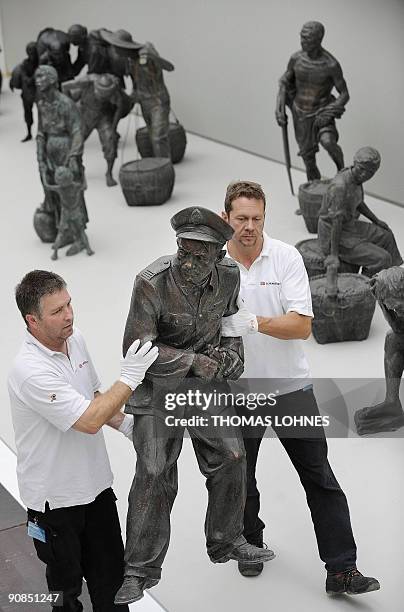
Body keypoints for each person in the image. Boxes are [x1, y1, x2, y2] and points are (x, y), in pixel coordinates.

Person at [220, 180, 380, 595]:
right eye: (241, 218)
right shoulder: (215, 265)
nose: (249, 226)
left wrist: (254, 322)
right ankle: (250, 542)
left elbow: (302, 326)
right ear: (226, 219)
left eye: (256, 218)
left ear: (264, 218)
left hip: (291, 389)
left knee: (320, 479)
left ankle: (342, 569)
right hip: (238, 394)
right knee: (242, 478)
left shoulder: (286, 258)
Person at [114, 206, 275, 605]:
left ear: (220, 254)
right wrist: (193, 361)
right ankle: (138, 571)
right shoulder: (150, 282)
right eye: (183, 251)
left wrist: (233, 358)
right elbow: (136, 348)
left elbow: (231, 326)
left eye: (199, 255)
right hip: (159, 390)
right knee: (153, 472)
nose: (188, 261)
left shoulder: (229, 277)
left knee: (233, 456)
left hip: (206, 389)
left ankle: (226, 541)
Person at [7, 270, 158, 611]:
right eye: (57, 311)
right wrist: (130, 377)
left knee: (113, 583)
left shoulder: (75, 340)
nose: (69, 314)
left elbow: (91, 396)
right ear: (32, 320)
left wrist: (127, 425)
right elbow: (88, 420)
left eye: (69, 304)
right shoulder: (29, 370)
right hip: (54, 502)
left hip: (96, 487)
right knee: (66, 590)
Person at [276, 21, 349, 181]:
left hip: (321, 112)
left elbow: (344, 94)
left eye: (307, 39)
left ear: (319, 40)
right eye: (302, 38)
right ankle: (313, 189)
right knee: (308, 160)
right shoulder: (296, 59)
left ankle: (343, 174)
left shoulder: (331, 64)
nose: (303, 42)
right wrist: (279, 107)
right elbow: (284, 81)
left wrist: (331, 110)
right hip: (300, 114)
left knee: (329, 142)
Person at [318, 147, 403, 276]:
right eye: (361, 169)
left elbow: (358, 202)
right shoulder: (340, 186)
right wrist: (333, 255)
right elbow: (336, 221)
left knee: (386, 235)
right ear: (355, 164)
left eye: (370, 172)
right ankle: (366, 285)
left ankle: (392, 277)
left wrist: (376, 220)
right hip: (334, 234)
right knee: (383, 258)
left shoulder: (356, 179)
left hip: (348, 225)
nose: (364, 175)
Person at [35, 64, 88, 252]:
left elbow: (77, 131)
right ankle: (64, 231)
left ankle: (80, 236)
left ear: (52, 79)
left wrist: (73, 156)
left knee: (71, 192)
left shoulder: (66, 103)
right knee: (53, 192)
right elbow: (41, 131)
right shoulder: (41, 104)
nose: (37, 80)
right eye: (36, 77)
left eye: (42, 76)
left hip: (66, 150)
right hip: (50, 152)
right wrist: (41, 156)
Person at [100, 29, 174, 158]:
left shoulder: (145, 54)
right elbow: (136, 84)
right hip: (144, 102)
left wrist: (152, 56)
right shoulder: (129, 61)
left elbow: (169, 67)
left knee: (158, 137)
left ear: (124, 47)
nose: (115, 50)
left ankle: (165, 168)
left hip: (158, 101)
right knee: (152, 135)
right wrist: (131, 96)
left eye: (117, 47)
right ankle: (158, 167)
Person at [63, 73, 134, 186]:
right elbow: (64, 87)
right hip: (85, 114)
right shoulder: (87, 82)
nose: (103, 96)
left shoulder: (115, 92)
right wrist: (70, 106)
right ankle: (77, 169)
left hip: (103, 117)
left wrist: (113, 129)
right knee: (75, 143)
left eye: (106, 95)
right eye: (101, 93)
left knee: (110, 142)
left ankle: (109, 173)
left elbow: (119, 110)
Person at [43, 166, 94, 259]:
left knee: (61, 233)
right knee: (81, 232)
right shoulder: (76, 186)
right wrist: (83, 173)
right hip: (76, 212)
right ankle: (89, 249)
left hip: (65, 213)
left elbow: (47, 186)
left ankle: (55, 253)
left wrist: (44, 173)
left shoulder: (60, 188)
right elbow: (85, 186)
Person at [10, 41, 39, 142]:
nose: (32, 54)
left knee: (43, 114)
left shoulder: (41, 62)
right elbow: (26, 79)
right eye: (30, 52)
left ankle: (41, 134)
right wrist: (34, 76)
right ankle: (29, 133)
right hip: (27, 94)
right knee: (28, 114)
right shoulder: (24, 64)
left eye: (34, 51)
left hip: (38, 93)